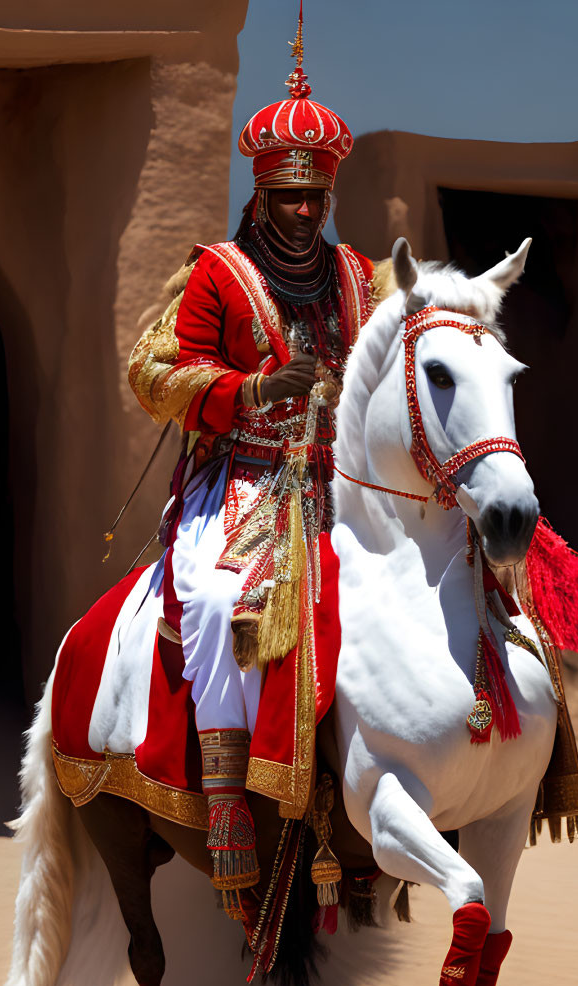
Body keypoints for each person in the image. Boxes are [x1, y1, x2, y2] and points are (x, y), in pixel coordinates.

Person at [128, 48, 390, 922]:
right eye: (290, 197)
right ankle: (230, 792)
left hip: (342, 484)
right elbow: (155, 372)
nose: (306, 211)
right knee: (208, 597)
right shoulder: (217, 273)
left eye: (317, 197)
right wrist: (247, 391)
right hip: (243, 478)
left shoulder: (358, 274)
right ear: (262, 193)